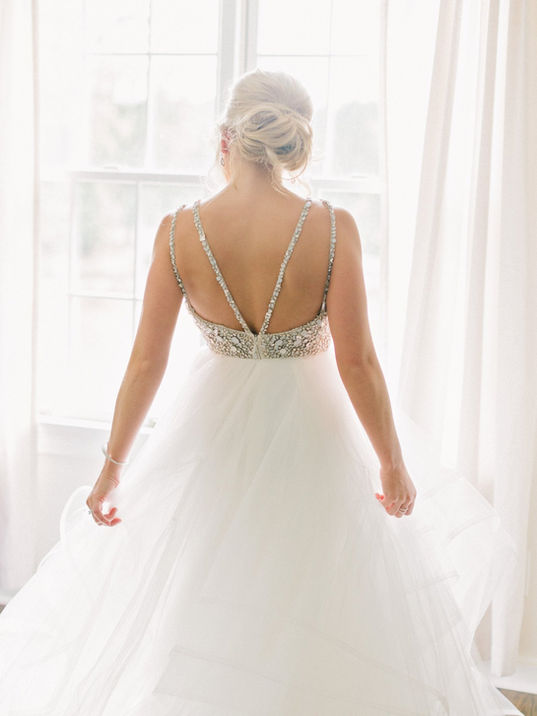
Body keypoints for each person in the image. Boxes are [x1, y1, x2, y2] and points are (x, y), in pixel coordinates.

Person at [0, 68, 521, 715]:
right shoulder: (332, 228)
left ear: (226, 137)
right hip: (313, 441)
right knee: (317, 594)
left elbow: (145, 363)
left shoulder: (178, 230)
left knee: (210, 592)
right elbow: (358, 362)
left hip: (212, 440)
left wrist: (112, 469)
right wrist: (390, 462)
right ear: (295, 139)